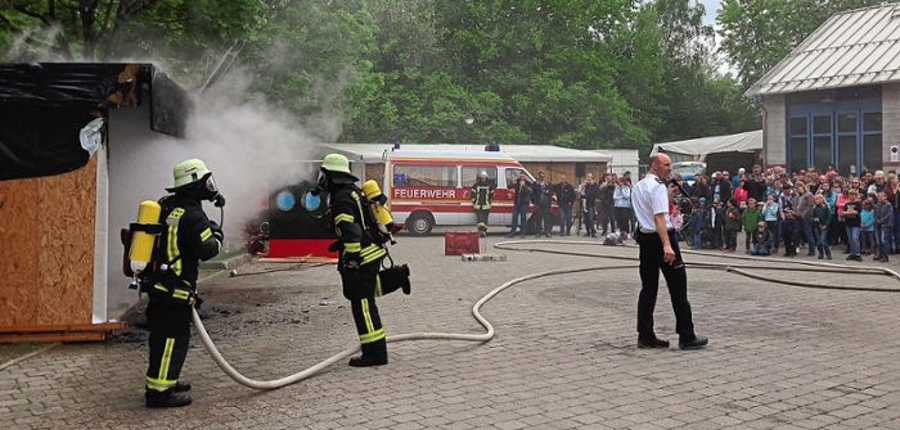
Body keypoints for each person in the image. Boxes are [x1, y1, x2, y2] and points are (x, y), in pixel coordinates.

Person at [144, 158, 224, 408]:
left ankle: (165, 379)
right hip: (176, 290)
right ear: (196, 184)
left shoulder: (165, 206)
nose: (209, 186)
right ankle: (159, 394)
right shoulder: (193, 214)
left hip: (158, 286)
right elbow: (207, 249)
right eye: (205, 181)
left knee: (160, 339)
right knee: (172, 341)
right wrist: (217, 234)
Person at [319, 153, 408, 368]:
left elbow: (351, 232)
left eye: (324, 174)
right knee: (359, 292)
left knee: (363, 304)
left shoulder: (341, 198)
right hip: (371, 251)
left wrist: (351, 261)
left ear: (332, 176)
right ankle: (397, 277)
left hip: (362, 254)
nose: (322, 180)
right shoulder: (353, 192)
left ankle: (375, 353)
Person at [632, 153, 707, 350]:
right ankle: (686, 335)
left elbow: (648, 212)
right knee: (678, 289)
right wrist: (667, 244)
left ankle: (645, 334)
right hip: (662, 237)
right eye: (665, 165)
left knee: (648, 289)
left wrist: (667, 198)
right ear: (655, 166)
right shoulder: (657, 187)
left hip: (646, 239)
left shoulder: (639, 186)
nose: (669, 169)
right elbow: (658, 218)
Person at [471, 171, 495, 238]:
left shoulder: (490, 185)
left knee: (485, 220)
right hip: (478, 205)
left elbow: (492, 195)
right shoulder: (476, 185)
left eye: (484, 177)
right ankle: (480, 231)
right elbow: (472, 195)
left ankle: (484, 231)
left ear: (486, 177)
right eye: (482, 177)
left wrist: (490, 202)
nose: (483, 178)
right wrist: (474, 202)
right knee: (480, 220)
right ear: (481, 177)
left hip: (486, 205)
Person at [507, 172, 532, 237]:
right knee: (514, 217)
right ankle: (512, 232)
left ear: (525, 177)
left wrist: (524, 186)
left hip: (524, 203)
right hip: (517, 203)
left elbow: (530, 191)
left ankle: (523, 233)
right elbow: (509, 187)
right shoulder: (517, 181)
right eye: (521, 176)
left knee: (523, 218)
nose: (521, 178)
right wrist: (513, 183)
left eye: (523, 176)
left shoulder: (528, 183)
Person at [843, 189, 863, 261]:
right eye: (850, 195)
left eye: (853, 195)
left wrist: (848, 213)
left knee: (855, 238)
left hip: (856, 224)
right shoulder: (846, 204)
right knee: (850, 239)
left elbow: (857, 212)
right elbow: (843, 213)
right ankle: (852, 253)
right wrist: (851, 212)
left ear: (856, 195)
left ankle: (857, 253)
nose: (851, 196)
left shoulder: (858, 204)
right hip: (848, 223)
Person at [874, 190, 894, 262]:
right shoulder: (876, 205)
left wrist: (881, 221)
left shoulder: (888, 205)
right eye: (878, 196)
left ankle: (885, 256)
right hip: (877, 225)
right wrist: (877, 221)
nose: (879, 198)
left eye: (881, 196)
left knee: (884, 240)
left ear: (885, 197)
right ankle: (880, 254)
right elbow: (875, 215)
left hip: (886, 225)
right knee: (878, 241)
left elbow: (888, 215)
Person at [531, 171, 552, 237]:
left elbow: (551, 193)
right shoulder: (535, 184)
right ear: (539, 177)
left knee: (547, 219)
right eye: (541, 176)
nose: (542, 178)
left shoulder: (548, 184)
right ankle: (538, 233)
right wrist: (534, 203)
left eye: (543, 176)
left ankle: (547, 232)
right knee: (538, 219)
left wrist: (547, 192)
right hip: (538, 204)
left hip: (546, 204)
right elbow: (532, 194)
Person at [810, 194, 831, 259]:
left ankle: (828, 253)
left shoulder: (825, 208)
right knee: (819, 241)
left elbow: (829, 217)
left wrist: (826, 224)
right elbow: (811, 216)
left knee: (823, 240)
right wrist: (814, 219)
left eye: (818, 199)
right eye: (815, 199)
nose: (816, 201)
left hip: (824, 226)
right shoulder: (814, 208)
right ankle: (821, 253)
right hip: (816, 226)